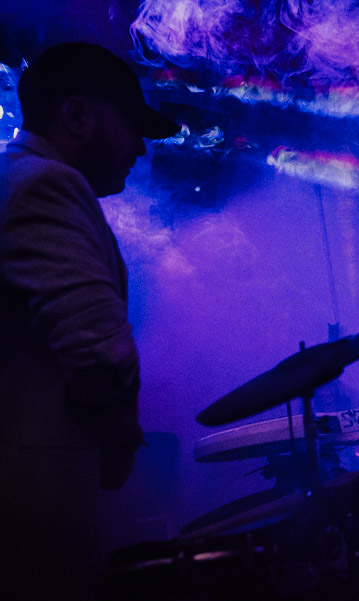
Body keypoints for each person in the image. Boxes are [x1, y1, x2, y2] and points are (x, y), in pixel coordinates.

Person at [0, 42, 179, 600]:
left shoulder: (14, 176)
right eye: (131, 126)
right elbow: (101, 351)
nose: (141, 150)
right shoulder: (46, 184)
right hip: (28, 501)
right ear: (77, 116)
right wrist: (122, 441)